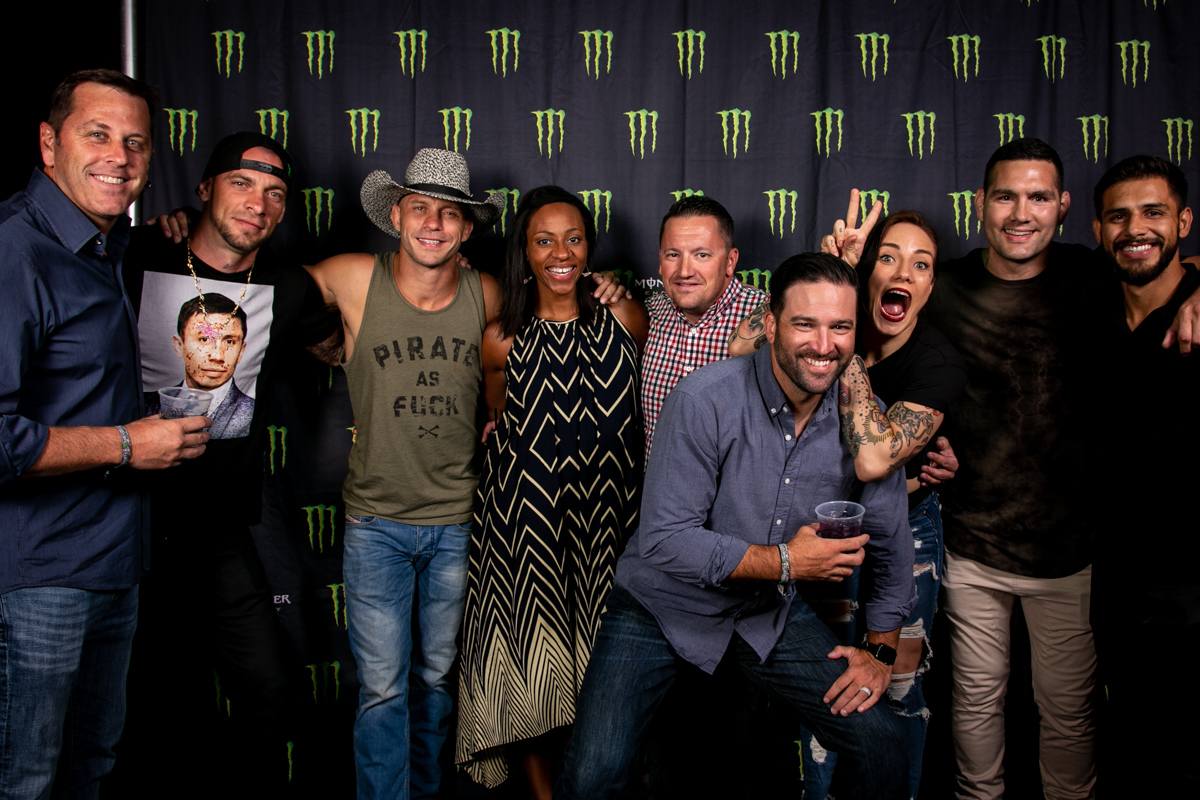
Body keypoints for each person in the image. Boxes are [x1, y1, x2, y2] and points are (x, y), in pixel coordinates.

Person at [305, 150, 626, 799]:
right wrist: (177, 240)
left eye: (449, 214)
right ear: (396, 216)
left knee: (434, 683)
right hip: (376, 523)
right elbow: (267, 288)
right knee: (381, 690)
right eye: (420, 208)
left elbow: (545, 323)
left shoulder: (490, 295)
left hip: (460, 523)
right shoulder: (352, 277)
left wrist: (612, 285)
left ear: (468, 228)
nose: (433, 224)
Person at [556, 252, 914, 800]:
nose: (824, 345)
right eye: (804, 324)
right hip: (659, 606)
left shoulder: (865, 425)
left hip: (761, 612)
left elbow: (891, 543)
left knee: (881, 740)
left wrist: (881, 652)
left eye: (840, 327)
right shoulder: (704, 399)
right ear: (770, 325)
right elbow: (666, 540)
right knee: (592, 778)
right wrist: (787, 562)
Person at [922, 138, 1200, 800]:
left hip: (1075, 554)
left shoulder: (1094, 274)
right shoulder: (946, 286)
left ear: (1065, 207)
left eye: (1039, 197)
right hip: (973, 546)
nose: (1022, 213)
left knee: (1073, 717)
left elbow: (1162, 261)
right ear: (980, 204)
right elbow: (878, 313)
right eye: (1006, 197)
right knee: (975, 706)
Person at [0, 68, 209, 798]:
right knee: (25, 782)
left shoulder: (109, 246)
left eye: (136, 143)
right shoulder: (15, 251)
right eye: (98, 135)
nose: (119, 157)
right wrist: (127, 444)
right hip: (38, 579)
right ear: (48, 143)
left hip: (114, 565)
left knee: (90, 768)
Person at [118, 130, 339, 794]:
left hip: (215, 528)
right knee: (141, 702)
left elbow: (340, 344)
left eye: (275, 193)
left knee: (268, 692)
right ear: (205, 188)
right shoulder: (139, 254)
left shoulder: (287, 287)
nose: (259, 203)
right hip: (120, 520)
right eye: (242, 183)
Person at [455, 186, 648, 796]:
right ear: (525, 250)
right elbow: (496, 421)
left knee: (598, 673)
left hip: (608, 528)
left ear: (589, 246)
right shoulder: (501, 339)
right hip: (526, 527)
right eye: (544, 241)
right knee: (532, 673)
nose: (561, 253)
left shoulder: (625, 318)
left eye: (573, 239)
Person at [818, 202, 967, 799]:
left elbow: (874, 459)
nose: (904, 272)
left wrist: (844, 351)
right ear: (868, 272)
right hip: (828, 529)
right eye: (888, 257)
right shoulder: (831, 314)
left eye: (921, 264)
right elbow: (741, 341)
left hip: (909, 529)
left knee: (898, 686)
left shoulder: (937, 362)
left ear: (930, 286)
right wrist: (830, 280)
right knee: (826, 686)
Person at [1087, 156, 1197, 795]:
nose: (1135, 229)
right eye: (1119, 216)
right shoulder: (1094, 307)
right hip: (1119, 588)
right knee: (1131, 752)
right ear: (1098, 230)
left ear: (1183, 221)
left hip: (1192, 593)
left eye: (1154, 212)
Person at [642, 195, 767, 458]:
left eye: (702, 255)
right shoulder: (647, 314)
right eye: (673, 255)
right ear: (660, 262)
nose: (685, 270)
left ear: (730, 262)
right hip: (654, 482)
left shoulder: (768, 316)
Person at [168, 293, 253, 437]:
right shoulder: (147, 404)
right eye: (204, 339)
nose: (217, 356)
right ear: (179, 346)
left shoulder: (252, 410)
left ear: (241, 351)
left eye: (229, 342)